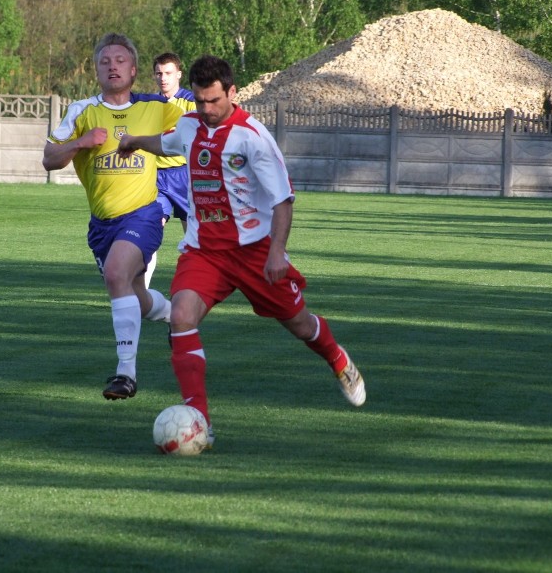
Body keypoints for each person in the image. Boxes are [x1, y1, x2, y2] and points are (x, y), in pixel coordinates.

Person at [117, 55, 366, 445]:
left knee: (298, 323)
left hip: (254, 251)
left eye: (214, 101)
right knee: (181, 316)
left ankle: (337, 358)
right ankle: (199, 418)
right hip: (204, 253)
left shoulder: (252, 136)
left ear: (232, 93)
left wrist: (277, 253)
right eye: (200, 101)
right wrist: (132, 141)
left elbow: (283, 200)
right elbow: (164, 143)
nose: (207, 109)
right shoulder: (189, 126)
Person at [42, 33, 184, 401]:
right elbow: (49, 158)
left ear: (134, 70)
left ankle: (126, 373)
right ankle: (172, 314)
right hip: (101, 224)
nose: (113, 67)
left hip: (144, 214)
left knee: (118, 275)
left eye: (120, 60)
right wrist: (80, 143)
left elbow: (198, 119)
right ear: (97, 70)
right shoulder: (82, 111)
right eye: (105, 62)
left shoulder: (156, 107)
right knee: (132, 293)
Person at [144, 52, 195, 288]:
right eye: (158, 73)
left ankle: (194, 287)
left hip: (185, 176)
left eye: (168, 73)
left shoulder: (191, 102)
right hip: (156, 179)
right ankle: (141, 291)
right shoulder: (149, 105)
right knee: (150, 231)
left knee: (193, 237)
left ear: (179, 74)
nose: (163, 78)